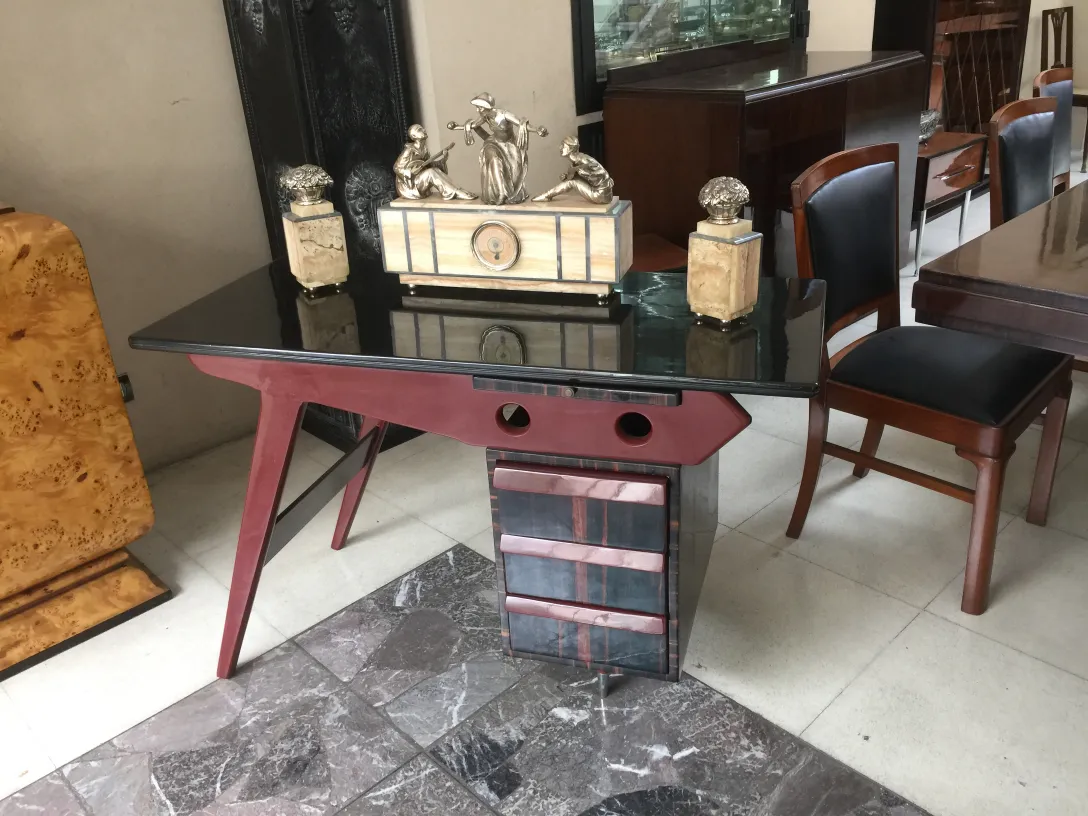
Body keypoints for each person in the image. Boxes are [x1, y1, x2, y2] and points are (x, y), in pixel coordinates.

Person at [448, 93, 548, 205]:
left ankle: (509, 193)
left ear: (487, 107)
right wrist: (457, 127)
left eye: (480, 107)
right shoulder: (485, 116)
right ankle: (501, 192)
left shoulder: (504, 115)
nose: (477, 110)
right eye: (477, 107)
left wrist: (537, 130)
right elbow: (474, 125)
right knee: (494, 160)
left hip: (509, 146)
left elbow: (521, 124)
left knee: (515, 174)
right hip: (493, 143)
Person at [393, 124, 476, 201]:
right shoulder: (409, 151)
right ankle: (454, 192)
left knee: (435, 170)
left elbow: (429, 165)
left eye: (423, 128)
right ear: (414, 136)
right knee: (431, 172)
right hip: (410, 187)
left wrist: (444, 159)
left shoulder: (424, 150)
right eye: (419, 130)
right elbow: (397, 167)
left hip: (419, 181)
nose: (424, 130)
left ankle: (457, 189)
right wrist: (409, 172)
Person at [533, 137, 614, 205]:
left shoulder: (583, 160)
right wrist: (568, 176)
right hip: (603, 194)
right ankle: (547, 195)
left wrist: (584, 173)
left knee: (571, 183)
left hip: (600, 195)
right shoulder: (576, 161)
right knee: (571, 181)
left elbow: (602, 174)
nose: (560, 148)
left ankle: (546, 195)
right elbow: (576, 176)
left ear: (570, 149)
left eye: (563, 146)